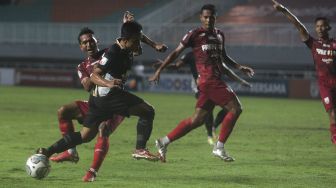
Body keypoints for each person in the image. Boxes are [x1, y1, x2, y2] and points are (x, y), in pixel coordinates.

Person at [37, 22, 162, 182]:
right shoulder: (95, 61)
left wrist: (149, 41)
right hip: (107, 97)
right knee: (147, 111)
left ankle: (62, 158)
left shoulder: (112, 50)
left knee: (89, 133)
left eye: (91, 40)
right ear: (81, 47)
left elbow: (133, 38)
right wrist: (107, 80)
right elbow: (90, 83)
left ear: (97, 41)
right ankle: (139, 149)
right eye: (85, 42)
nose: (89, 44)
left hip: (101, 98)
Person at [149, 4, 254, 162]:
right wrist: (160, 69)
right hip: (208, 80)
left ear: (215, 18)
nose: (208, 19)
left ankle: (163, 142)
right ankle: (219, 147)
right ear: (200, 18)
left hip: (213, 81)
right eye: (205, 17)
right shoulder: (194, 34)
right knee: (236, 108)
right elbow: (175, 53)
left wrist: (239, 67)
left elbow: (223, 56)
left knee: (197, 120)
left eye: (211, 17)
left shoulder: (220, 35)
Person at [272, 0, 336, 144]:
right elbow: (299, 26)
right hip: (325, 85)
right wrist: (283, 10)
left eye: (322, 26)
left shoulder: (334, 45)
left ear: (328, 27)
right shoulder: (313, 44)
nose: (319, 29)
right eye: (317, 26)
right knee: (332, 114)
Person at [153, 51, 228, 145]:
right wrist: (164, 65)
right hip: (199, 86)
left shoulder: (211, 51)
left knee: (228, 108)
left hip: (214, 84)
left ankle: (213, 127)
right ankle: (210, 135)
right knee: (207, 111)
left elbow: (222, 65)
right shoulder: (190, 55)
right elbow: (176, 66)